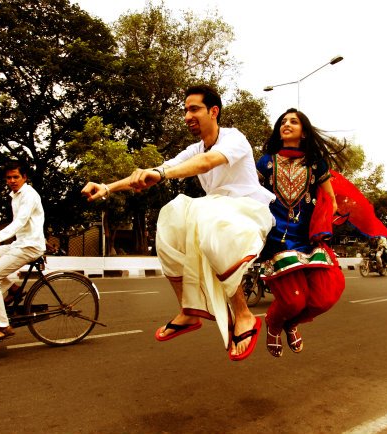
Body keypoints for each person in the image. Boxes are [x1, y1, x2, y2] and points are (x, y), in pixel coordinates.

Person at [81, 85, 274, 361]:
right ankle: (188, 310)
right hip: (217, 210)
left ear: (214, 111)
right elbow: (160, 169)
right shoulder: (193, 148)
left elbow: (206, 163)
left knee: (208, 222)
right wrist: (108, 187)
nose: (187, 116)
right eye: (185, 110)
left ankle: (243, 315)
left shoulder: (234, 138)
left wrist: (161, 173)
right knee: (171, 216)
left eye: (194, 109)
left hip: (247, 211)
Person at [255, 109, 346, 357]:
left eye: (293, 121)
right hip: (277, 237)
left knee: (323, 298)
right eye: (283, 121)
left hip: (308, 237)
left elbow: (330, 199)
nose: (286, 124)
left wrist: (324, 219)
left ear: (303, 132)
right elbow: (250, 193)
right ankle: (274, 324)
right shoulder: (266, 162)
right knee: (293, 300)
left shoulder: (316, 163)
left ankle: (292, 322)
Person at [0, 160, 46, 345]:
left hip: (30, 247)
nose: (12, 180)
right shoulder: (15, 195)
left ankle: (3, 327)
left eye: (16, 177)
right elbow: (17, 227)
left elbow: (19, 223)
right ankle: (13, 289)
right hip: (19, 244)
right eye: (8, 178)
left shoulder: (29, 195)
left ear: (24, 177)